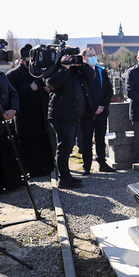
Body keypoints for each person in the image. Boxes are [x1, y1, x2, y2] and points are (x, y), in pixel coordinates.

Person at [45, 52, 95, 188]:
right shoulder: (56, 69)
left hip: (73, 115)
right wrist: (64, 67)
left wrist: (81, 64)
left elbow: (91, 75)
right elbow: (51, 85)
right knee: (64, 148)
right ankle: (64, 179)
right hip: (61, 115)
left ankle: (66, 175)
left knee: (68, 148)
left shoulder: (77, 70)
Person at [6, 45, 55, 177]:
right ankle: (31, 170)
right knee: (29, 146)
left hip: (41, 115)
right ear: (23, 59)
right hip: (25, 117)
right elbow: (11, 94)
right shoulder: (12, 75)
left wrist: (46, 89)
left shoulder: (39, 73)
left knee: (42, 143)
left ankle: (46, 167)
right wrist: (28, 88)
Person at [80, 47, 114, 173]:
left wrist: (102, 106)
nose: (93, 57)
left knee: (100, 139)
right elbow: (83, 94)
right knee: (86, 140)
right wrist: (93, 108)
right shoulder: (81, 72)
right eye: (90, 55)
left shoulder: (101, 71)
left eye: (94, 54)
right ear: (84, 58)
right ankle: (87, 165)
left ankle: (102, 163)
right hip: (87, 113)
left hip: (101, 111)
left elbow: (109, 90)